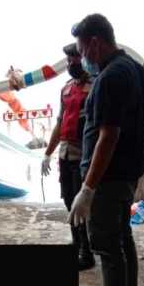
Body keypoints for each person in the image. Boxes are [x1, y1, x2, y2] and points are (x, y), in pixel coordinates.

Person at [68, 14, 144, 286]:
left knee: (105, 244)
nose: (82, 58)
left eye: (81, 49)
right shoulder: (134, 69)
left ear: (94, 43)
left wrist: (88, 188)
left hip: (108, 176)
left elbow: (108, 135)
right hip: (128, 173)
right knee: (122, 237)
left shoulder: (109, 77)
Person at [41, 43, 95, 271]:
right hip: (65, 152)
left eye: (75, 58)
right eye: (69, 60)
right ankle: (77, 242)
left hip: (84, 154)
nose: (71, 63)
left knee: (80, 203)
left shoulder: (95, 87)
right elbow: (60, 123)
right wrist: (48, 153)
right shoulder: (66, 89)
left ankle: (87, 251)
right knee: (67, 199)